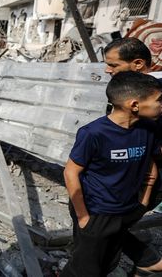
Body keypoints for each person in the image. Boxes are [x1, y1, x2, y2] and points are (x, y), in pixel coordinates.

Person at [61, 72, 162, 277]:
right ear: (134, 105)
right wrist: (83, 217)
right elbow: (71, 172)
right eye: (159, 100)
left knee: (108, 262)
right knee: (84, 269)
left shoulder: (148, 129)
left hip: (126, 209)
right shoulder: (94, 133)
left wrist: (144, 199)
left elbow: (152, 161)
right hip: (96, 211)